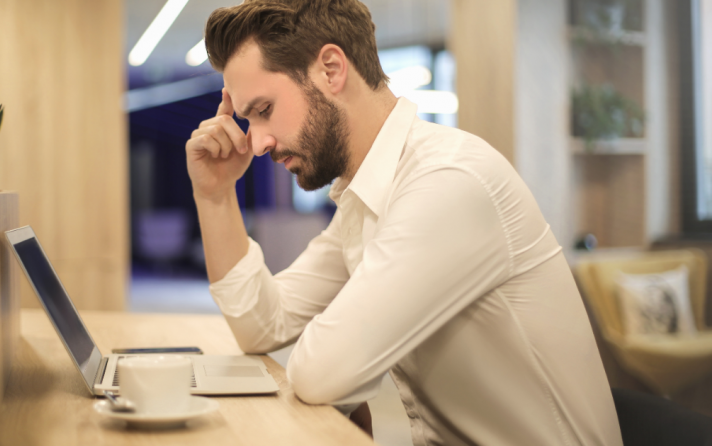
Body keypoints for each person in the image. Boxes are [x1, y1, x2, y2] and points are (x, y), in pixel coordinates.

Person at [184, 0, 623, 444]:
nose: (257, 142)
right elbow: (263, 325)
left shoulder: (448, 182)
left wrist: (344, 373)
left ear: (332, 69)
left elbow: (322, 373)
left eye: (264, 109)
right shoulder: (367, 197)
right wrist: (216, 194)